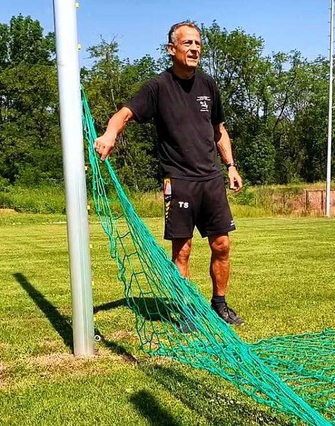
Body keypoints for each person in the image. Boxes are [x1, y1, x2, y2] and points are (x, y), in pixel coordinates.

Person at [94, 21, 244, 326]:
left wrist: (230, 165)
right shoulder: (157, 87)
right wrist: (110, 135)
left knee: (222, 245)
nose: (194, 49)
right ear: (171, 49)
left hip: (211, 179)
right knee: (183, 249)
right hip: (178, 180)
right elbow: (124, 114)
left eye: (198, 44)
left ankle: (220, 304)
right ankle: (186, 310)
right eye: (187, 43)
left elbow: (219, 130)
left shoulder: (208, 86)